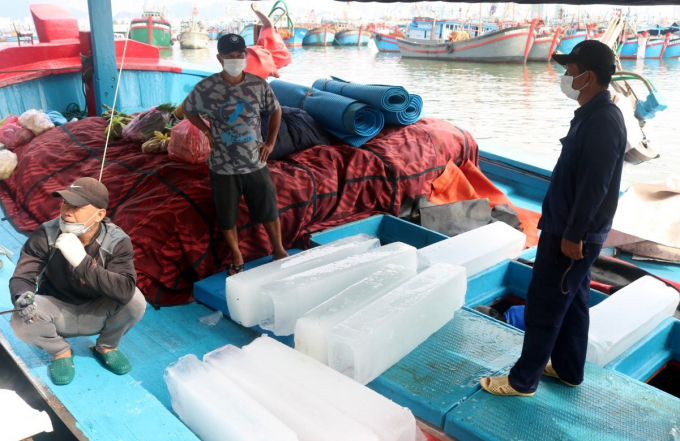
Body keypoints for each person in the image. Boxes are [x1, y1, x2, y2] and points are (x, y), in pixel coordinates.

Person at [480, 40, 626, 396]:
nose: (565, 77)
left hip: (571, 232)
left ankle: (522, 380)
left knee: (546, 303)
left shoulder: (603, 121)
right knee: (573, 301)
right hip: (569, 227)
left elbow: (595, 186)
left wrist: (574, 233)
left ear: (588, 76)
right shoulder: (592, 114)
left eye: (570, 72)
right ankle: (568, 368)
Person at [9, 177, 146, 385]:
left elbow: (125, 290)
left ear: (100, 214)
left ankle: (107, 346)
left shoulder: (117, 241)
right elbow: (23, 275)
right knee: (20, 318)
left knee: (135, 301)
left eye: (77, 206)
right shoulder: (46, 233)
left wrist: (83, 263)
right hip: (57, 311)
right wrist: (22, 296)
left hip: (98, 310)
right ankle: (60, 351)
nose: (66, 212)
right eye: (65, 203)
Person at [183, 31, 288, 275]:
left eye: (240, 55)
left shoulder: (258, 84)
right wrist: (206, 132)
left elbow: (276, 111)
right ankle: (237, 254)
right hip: (222, 165)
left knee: (268, 208)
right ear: (220, 58)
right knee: (226, 215)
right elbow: (188, 110)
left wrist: (270, 143)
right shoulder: (206, 88)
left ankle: (279, 249)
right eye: (230, 56)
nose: (236, 60)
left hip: (255, 162)